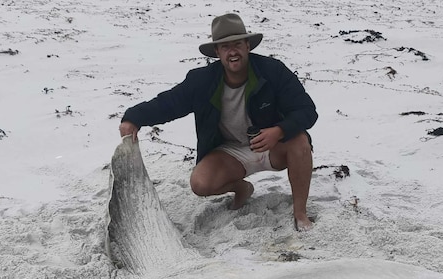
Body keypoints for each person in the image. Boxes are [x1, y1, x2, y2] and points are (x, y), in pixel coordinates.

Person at [119, 13, 318, 231]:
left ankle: (300, 213)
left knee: (300, 143)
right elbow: (168, 103)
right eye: (225, 46)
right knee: (200, 183)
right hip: (231, 152)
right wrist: (133, 117)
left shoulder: (273, 71)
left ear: (247, 46)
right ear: (217, 52)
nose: (232, 51)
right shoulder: (201, 81)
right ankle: (242, 188)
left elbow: (307, 111)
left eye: (237, 44)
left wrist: (278, 131)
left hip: (273, 146)